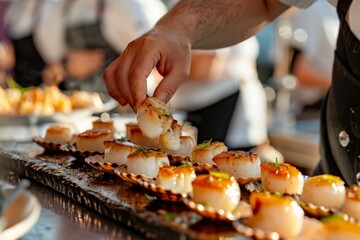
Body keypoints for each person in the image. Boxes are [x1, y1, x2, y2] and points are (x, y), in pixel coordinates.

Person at [103, 0, 360, 186]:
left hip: (228, 106)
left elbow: (212, 65)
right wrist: (177, 27)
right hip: (336, 188)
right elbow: (264, 1)